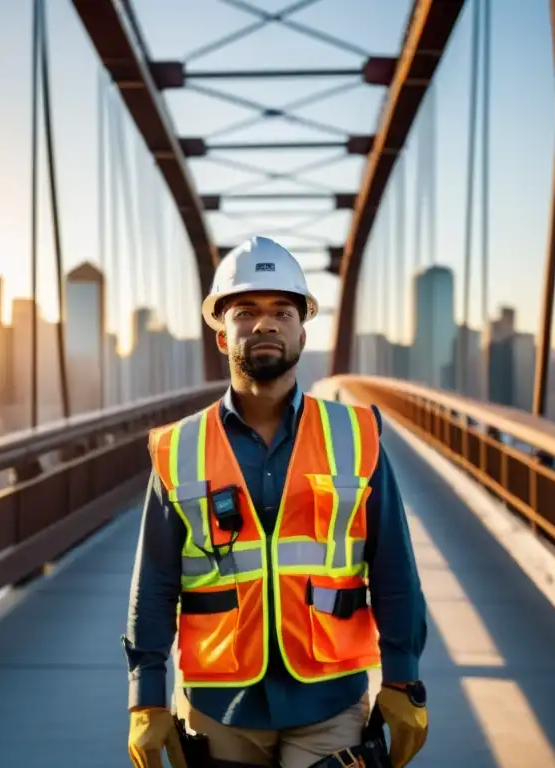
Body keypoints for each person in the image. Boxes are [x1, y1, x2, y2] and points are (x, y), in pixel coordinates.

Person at [124, 236, 429, 768]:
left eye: (281, 312)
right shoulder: (178, 449)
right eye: (245, 311)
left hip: (330, 701)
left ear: (302, 331)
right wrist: (145, 696)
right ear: (222, 335)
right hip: (220, 708)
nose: (264, 324)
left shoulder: (355, 437)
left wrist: (403, 678)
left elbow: (394, 568)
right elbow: (154, 584)